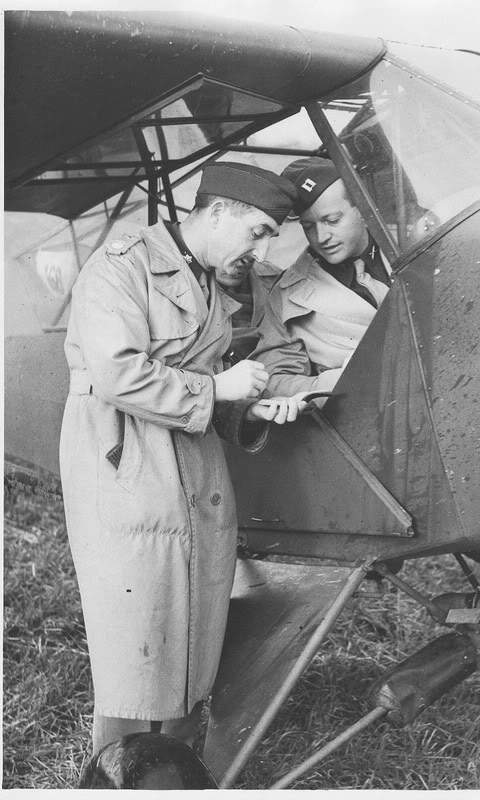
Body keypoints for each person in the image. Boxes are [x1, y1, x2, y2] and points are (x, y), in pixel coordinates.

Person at [59, 161, 305, 755]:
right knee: (138, 621)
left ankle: (177, 765)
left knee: (193, 610)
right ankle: (118, 769)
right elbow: (117, 373)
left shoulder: (208, 278)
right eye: (260, 230)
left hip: (190, 460)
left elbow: (203, 376)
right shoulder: (123, 265)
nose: (264, 247)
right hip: (127, 459)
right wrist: (217, 390)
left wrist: (249, 408)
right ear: (217, 212)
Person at [251, 157, 393, 398]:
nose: (321, 236)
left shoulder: (412, 242)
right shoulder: (287, 297)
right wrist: (336, 383)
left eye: (332, 220)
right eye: (308, 226)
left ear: (362, 206)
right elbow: (272, 382)